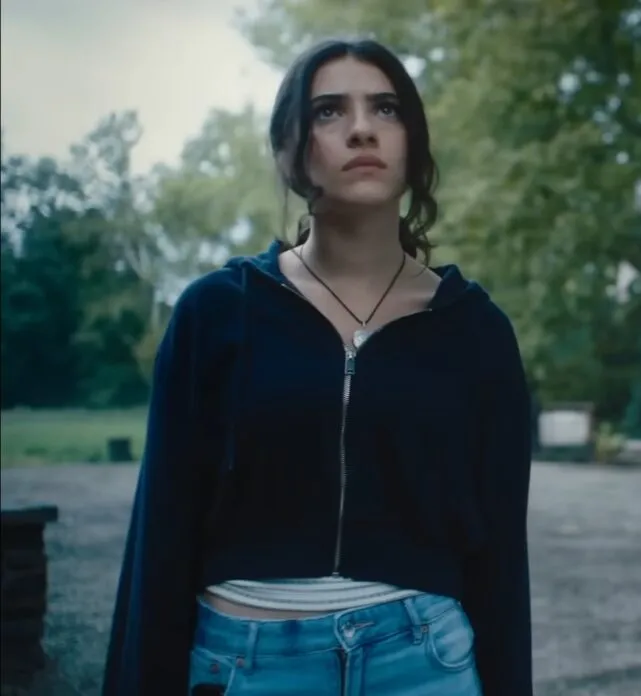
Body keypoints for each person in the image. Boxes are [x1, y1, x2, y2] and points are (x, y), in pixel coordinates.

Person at [102, 38, 533, 696]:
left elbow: (501, 562)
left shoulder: (476, 333)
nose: (361, 127)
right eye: (330, 112)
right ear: (289, 152)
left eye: (385, 109)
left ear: (413, 143)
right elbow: (159, 539)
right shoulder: (217, 313)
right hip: (246, 664)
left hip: (423, 663)